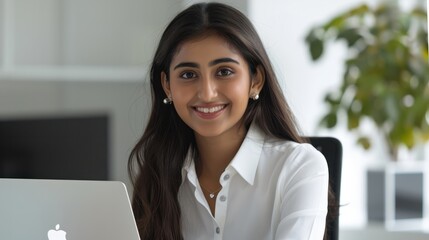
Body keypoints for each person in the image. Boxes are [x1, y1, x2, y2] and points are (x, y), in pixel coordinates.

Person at [128, 2, 329, 240]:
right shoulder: (159, 173)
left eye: (224, 71)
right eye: (188, 75)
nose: (207, 93)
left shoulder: (299, 167)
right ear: (167, 86)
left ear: (255, 80)